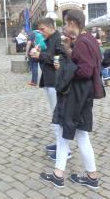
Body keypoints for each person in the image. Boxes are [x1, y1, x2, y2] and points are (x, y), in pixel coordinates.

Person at [40, 9, 103, 189]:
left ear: (73, 23)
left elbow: (85, 71)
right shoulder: (88, 39)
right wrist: (69, 50)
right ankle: (90, 177)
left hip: (76, 94)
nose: (65, 27)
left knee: (63, 131)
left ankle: (59, 175)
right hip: (83, 93)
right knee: (81, 135)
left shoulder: (82, 42)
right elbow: (86, 64)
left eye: (66, 23)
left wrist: (64, 67)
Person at [30, 18, 66, 160]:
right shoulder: (49, 39)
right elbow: (48, 57)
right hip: (49, 80)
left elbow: (58, 60)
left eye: (42, 29)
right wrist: (37, 52)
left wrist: (41, 55)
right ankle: (60, 144)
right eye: (39, 30)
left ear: (51, 27)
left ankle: (65, 150)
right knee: (55, 114)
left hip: (55, 82)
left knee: (57, 116)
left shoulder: (58, 39)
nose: (41, 32)